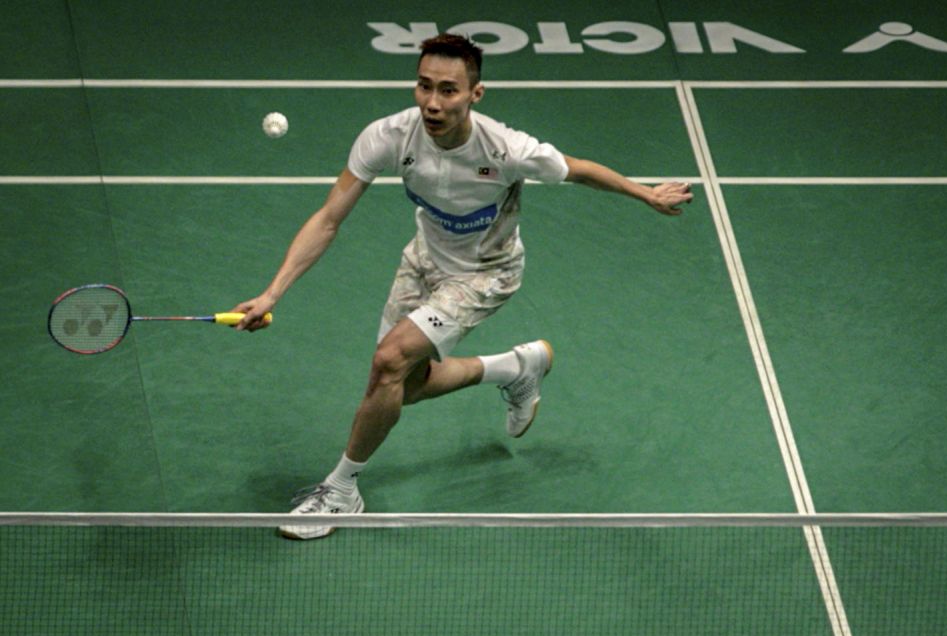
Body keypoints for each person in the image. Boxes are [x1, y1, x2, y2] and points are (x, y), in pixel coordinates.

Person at [234, 33, 693, 540]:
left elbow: (578, 170)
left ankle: (342, 492)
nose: (432, 102)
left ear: (476, 94)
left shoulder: (506, 149)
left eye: (448, 90)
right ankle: (517, 368)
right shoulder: (387, 136)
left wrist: (645, 194)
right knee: (403, 388)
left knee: (388, 361)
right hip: (425, 259)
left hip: (485, 274)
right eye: (424, 86)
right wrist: (273, 292)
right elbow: (327, 219)